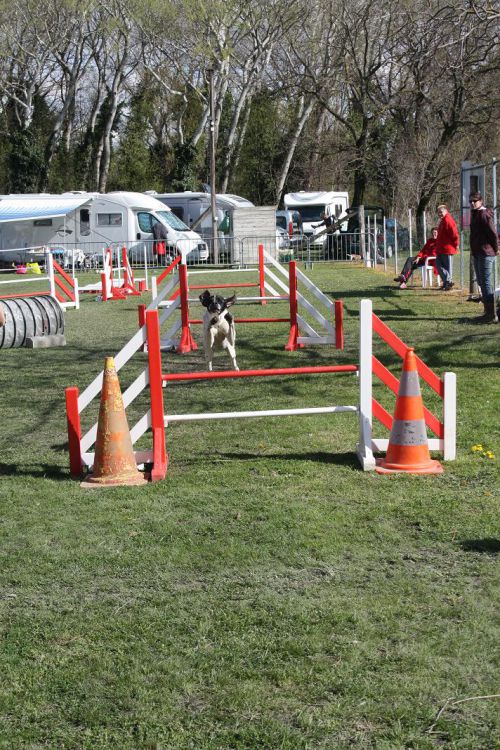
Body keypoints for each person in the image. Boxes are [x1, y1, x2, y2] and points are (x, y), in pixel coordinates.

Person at [469, 191, 499, 323]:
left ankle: (491, 315)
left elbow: (493, 234)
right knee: (481, 282)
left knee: (486, 283)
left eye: (474, 201)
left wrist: (496, 249)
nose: (472, 203)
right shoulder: (475, 214)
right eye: (470, 201)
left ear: (480, 201)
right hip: (477, 252)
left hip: (487, 253)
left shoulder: (484, 214)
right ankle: (487, 312)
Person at [435, 204, 459, 290]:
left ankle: (447, 283)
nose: (439, 214)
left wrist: (456, 244)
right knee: (438, 264)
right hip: (440, 248)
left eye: (441, 212)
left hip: (447, 249)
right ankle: (447, 282)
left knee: (447, 267)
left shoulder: (448, 220)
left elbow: (454, 234)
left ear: (446, 211)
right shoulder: (442, 221)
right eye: (438, 212)